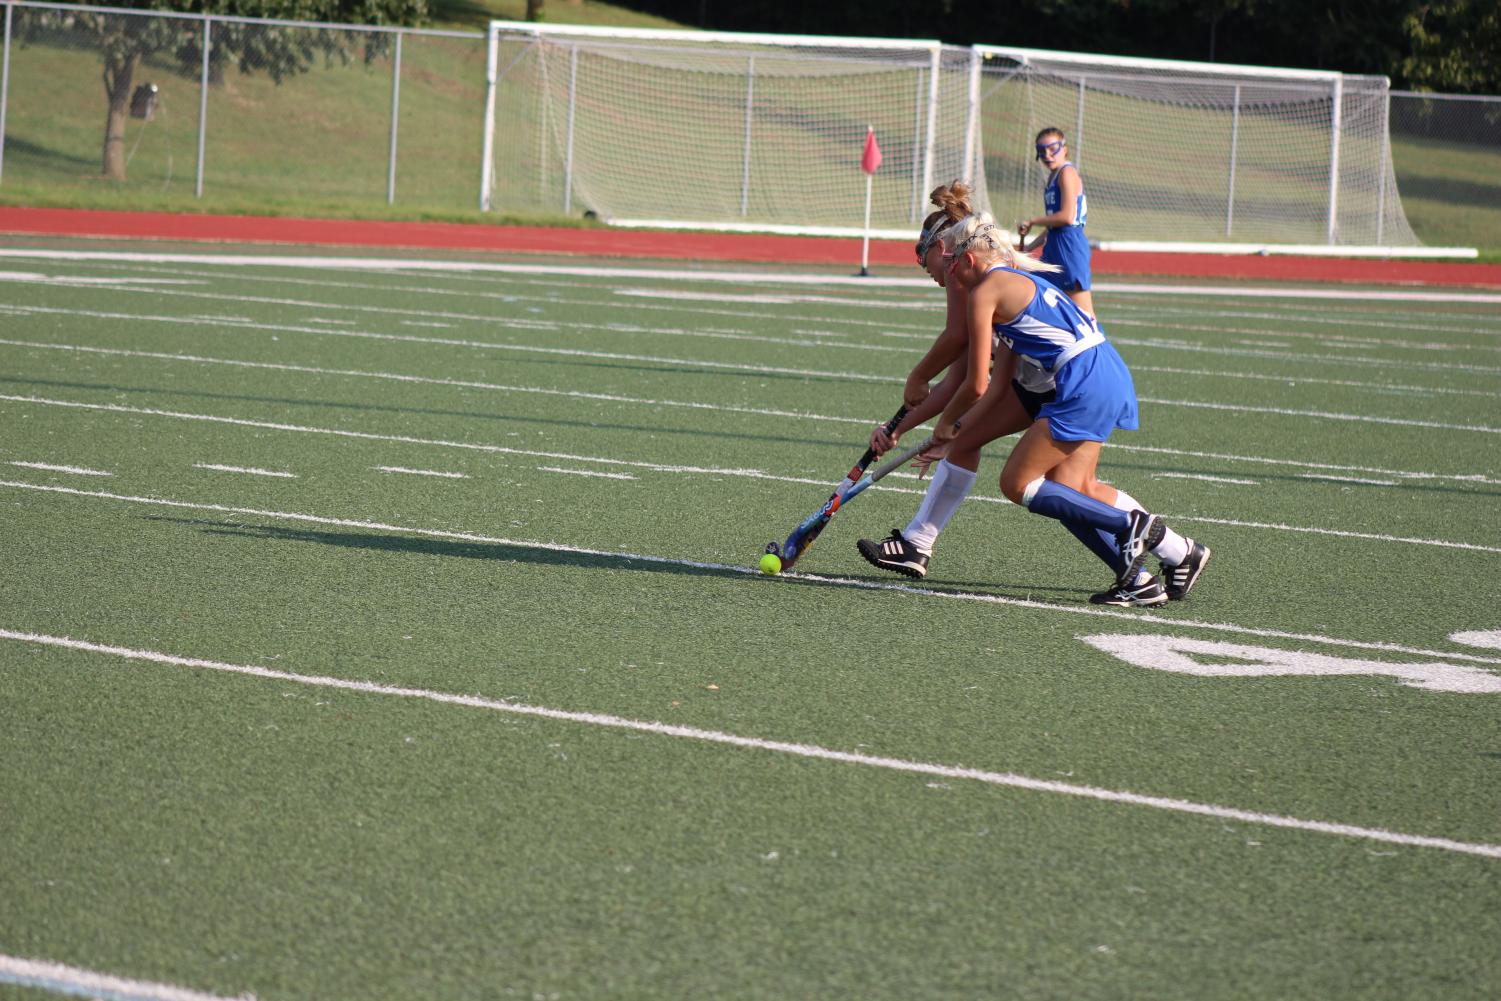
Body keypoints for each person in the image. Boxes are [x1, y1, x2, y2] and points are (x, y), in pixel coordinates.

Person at [858, 212, 1210, 607]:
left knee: (1017, 483)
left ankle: (1136, 527)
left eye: (951, 265)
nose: (948, 278)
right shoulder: (1018, 282)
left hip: (1082, 383)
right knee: (1069, 490)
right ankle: (1163, 566)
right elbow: (996, 389)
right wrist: (958, 430)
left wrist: (945, 424)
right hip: (1105, 373)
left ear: (968, 261)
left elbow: (974, 383)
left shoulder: (984, 294)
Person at [1017, 128, 1094, 316]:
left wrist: (1034, 220)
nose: (1047, 155)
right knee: (1029, 301)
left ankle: (1101, 346)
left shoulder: (1067, 173)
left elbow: (1067, 217)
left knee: (1085, 316)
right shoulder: (1052, 177)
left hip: (1069, 246)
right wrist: (1029, 248)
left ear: (1064, 149)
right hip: (1054, 245)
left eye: (1052, 149)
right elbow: (1053, 225)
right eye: (1041, 151)